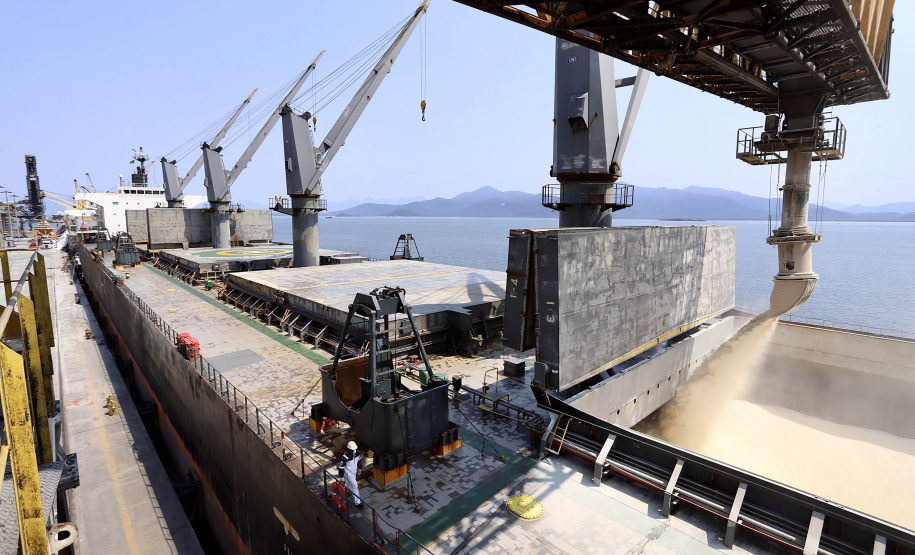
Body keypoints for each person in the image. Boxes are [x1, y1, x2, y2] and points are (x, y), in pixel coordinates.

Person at [338, 440, 363, 508]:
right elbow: (341, 467)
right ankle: (357, 502)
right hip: (348, 473)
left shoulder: (358, 454)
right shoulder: (345, 457)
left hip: (353, 472)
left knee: (349, 483)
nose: (354, 451)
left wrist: (360, 468)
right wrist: (341, 476)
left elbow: (359, 461)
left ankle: (346, 491)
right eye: (353, 450)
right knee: (355, 486)